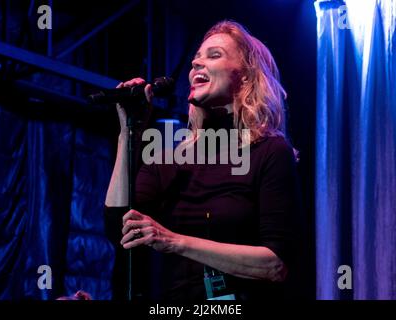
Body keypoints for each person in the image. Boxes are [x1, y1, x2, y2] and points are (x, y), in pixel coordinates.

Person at [104, 20, 300, 301]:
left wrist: (174, 241)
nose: (197, 64)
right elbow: (117, 229)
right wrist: (128, 133)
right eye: (196, 59)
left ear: (245, 76)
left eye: (214, 55)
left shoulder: (269, 151)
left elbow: (275, 265)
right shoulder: (169, 158)